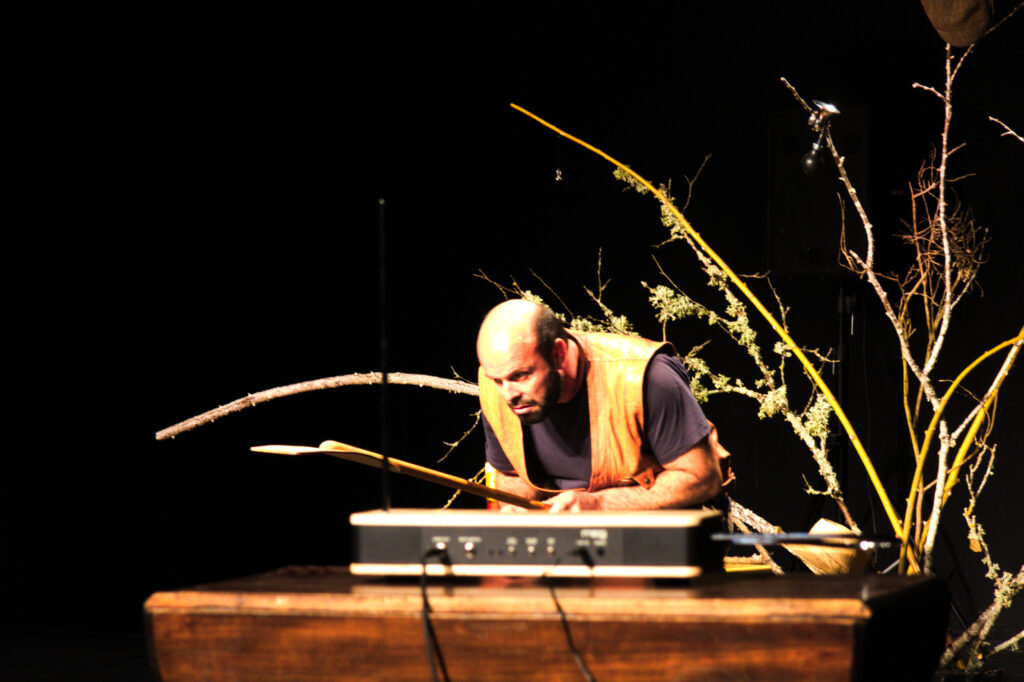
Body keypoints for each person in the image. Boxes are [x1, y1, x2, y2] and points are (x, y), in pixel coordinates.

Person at [477, 299, 731, 512]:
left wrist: (597, 505)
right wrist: (519, 507)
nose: (508, 393)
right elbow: (512, 475)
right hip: (564, 544)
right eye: (497, 380)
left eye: (520, 376)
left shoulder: (648, 377)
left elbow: (702, 479)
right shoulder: (498, 388)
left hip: (659, 539)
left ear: (558, 354)